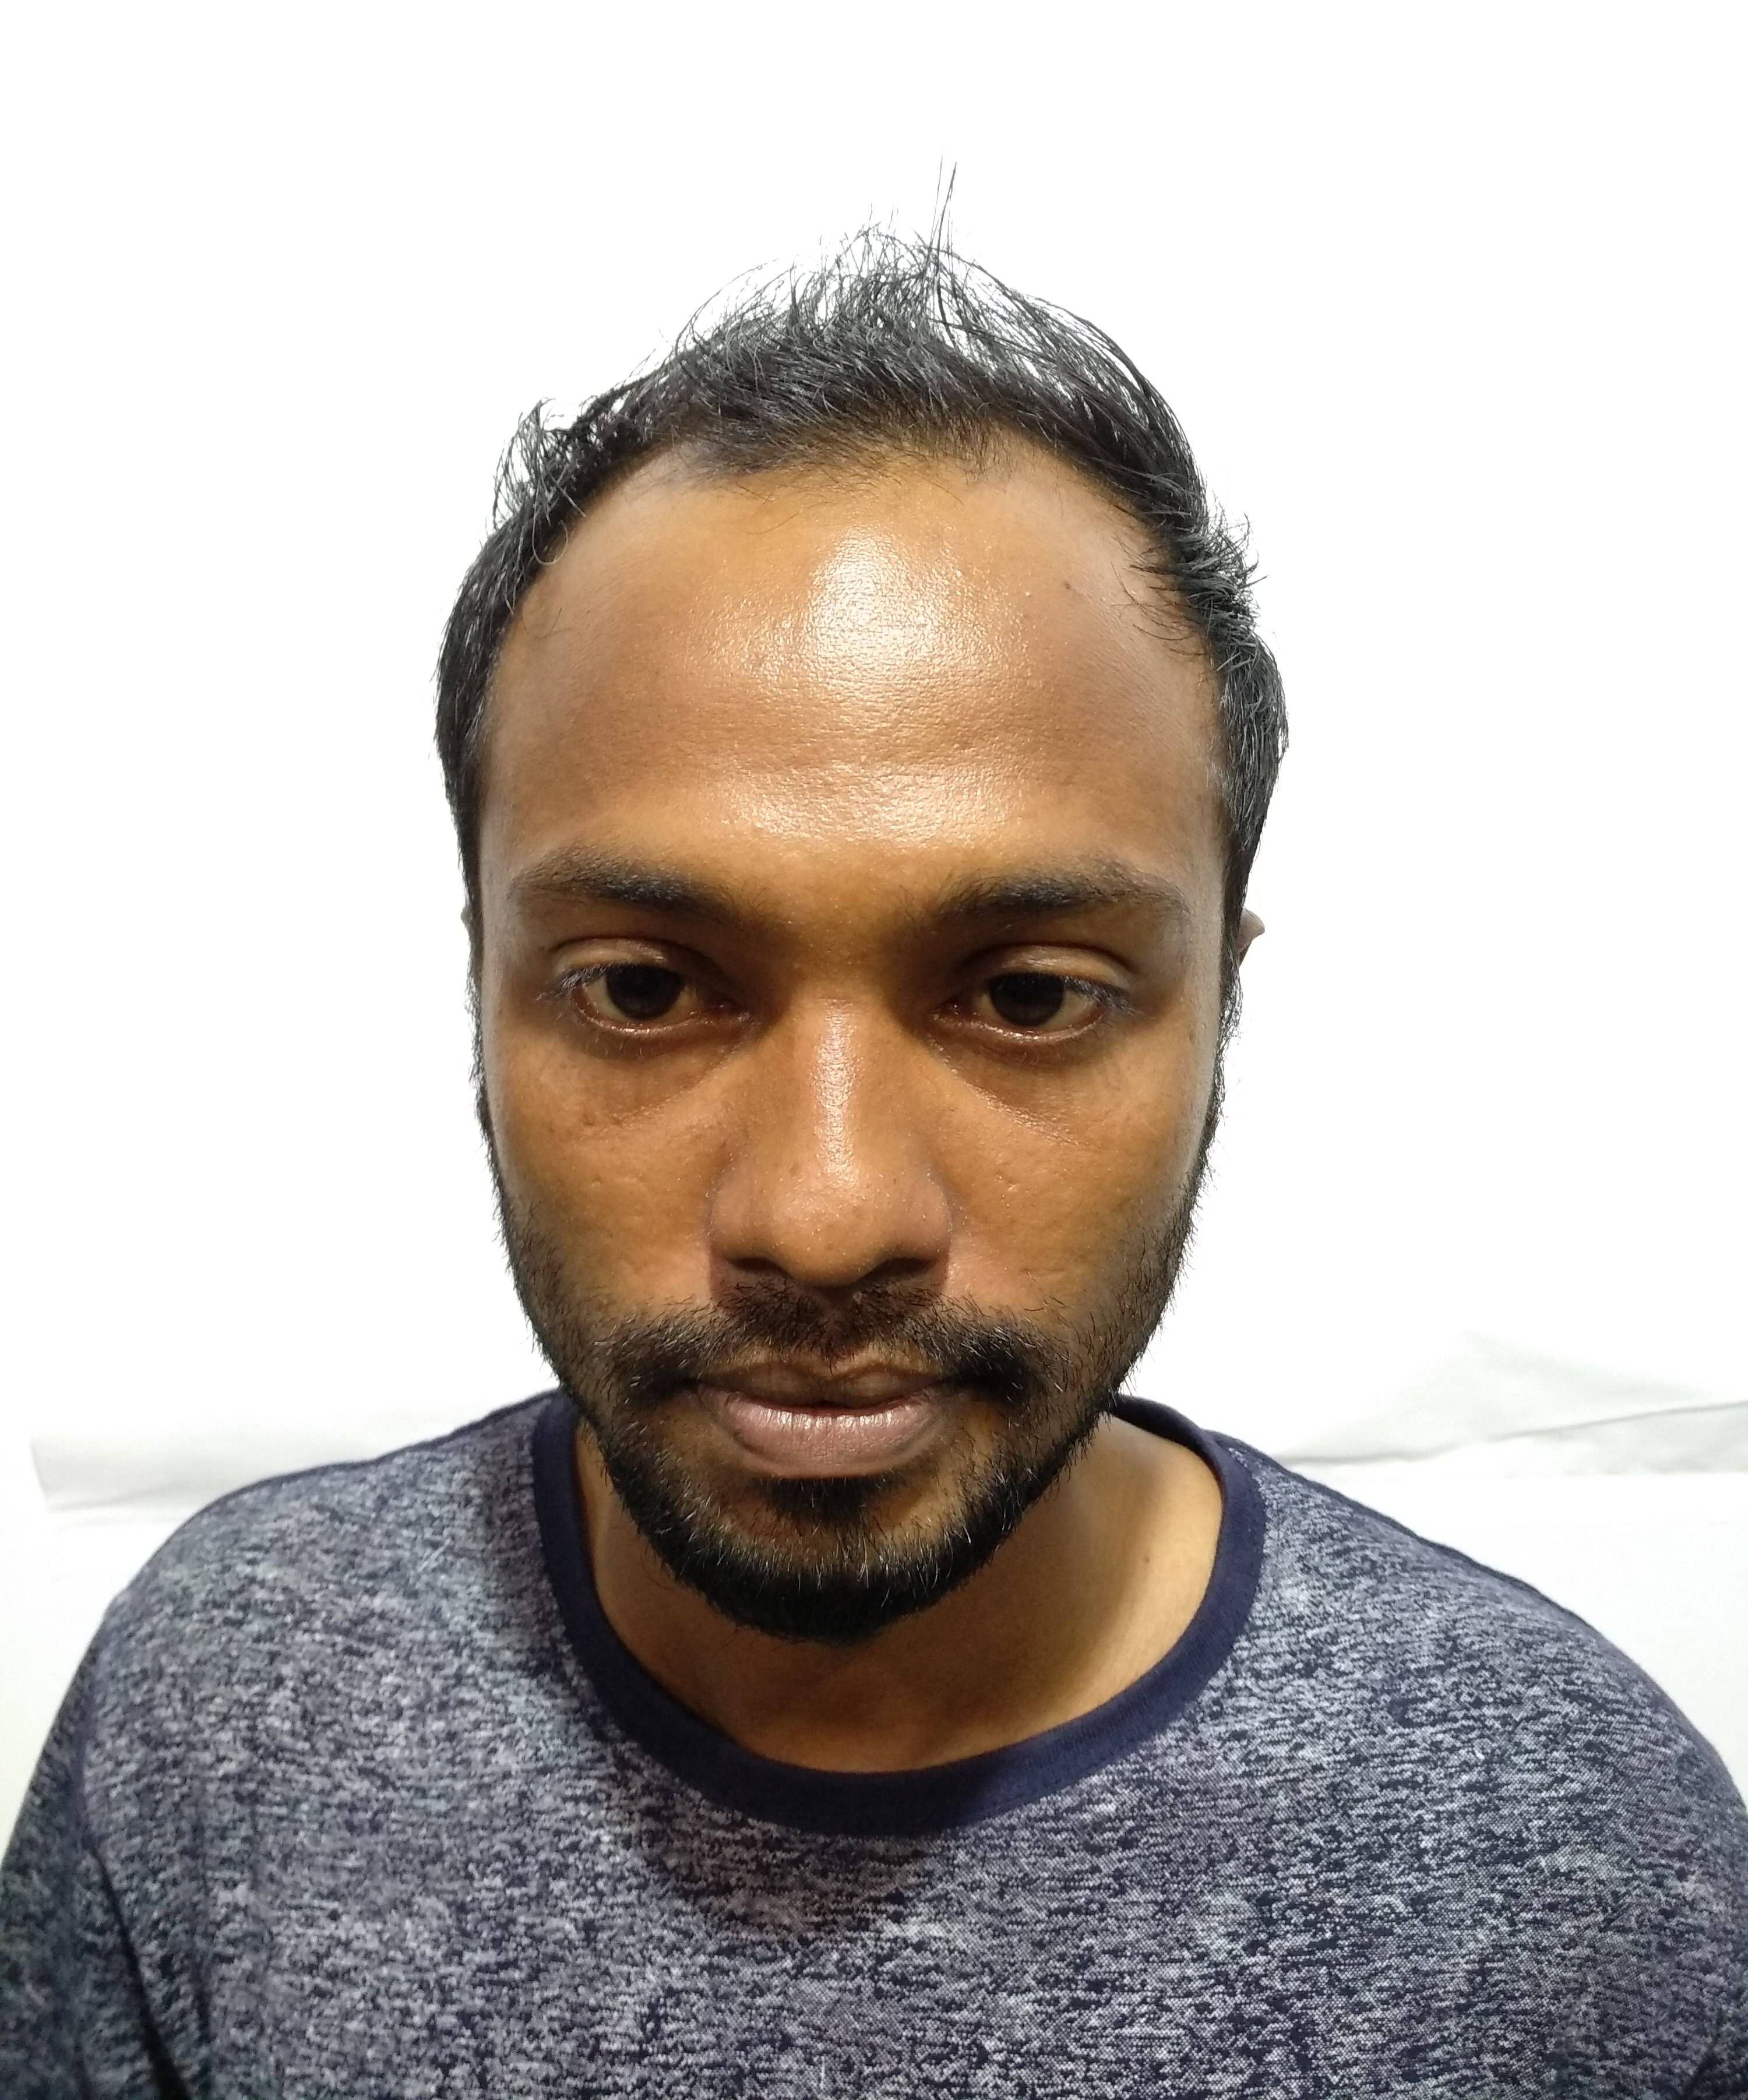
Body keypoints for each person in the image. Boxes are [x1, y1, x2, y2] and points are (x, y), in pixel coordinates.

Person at [2, 235, 1743, 2097]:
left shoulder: (1574, 1854)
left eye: (1030, 995)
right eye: (643, 987)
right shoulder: (227, 1699)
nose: (827, 1218)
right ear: (483, 983)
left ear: (1221, 1007)